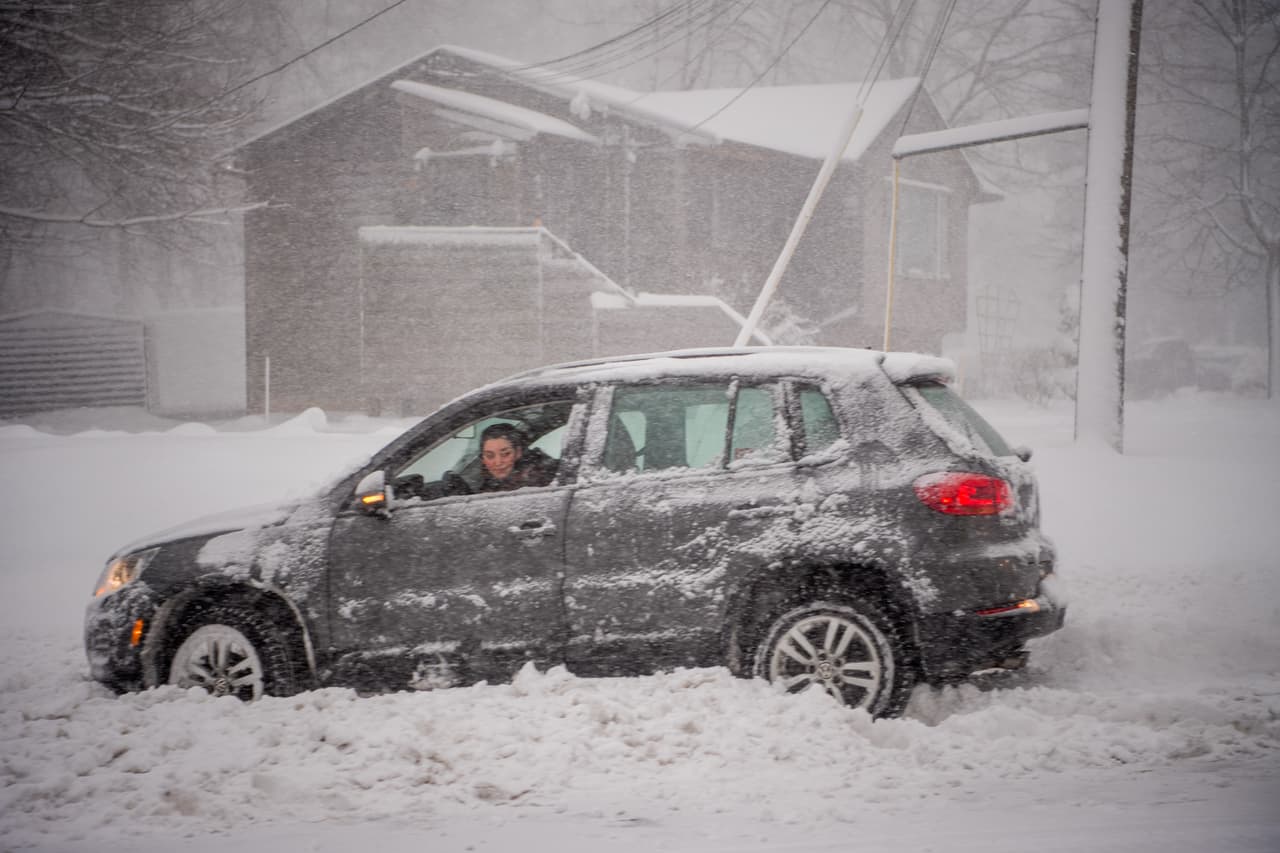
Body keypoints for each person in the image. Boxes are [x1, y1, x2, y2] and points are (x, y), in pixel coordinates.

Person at [476, 423, 556, 492]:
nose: (498, 462)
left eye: (505, 454)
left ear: (518, 452)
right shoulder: (489, 485)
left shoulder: (541, 481)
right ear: (483, 458)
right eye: (490, 456)